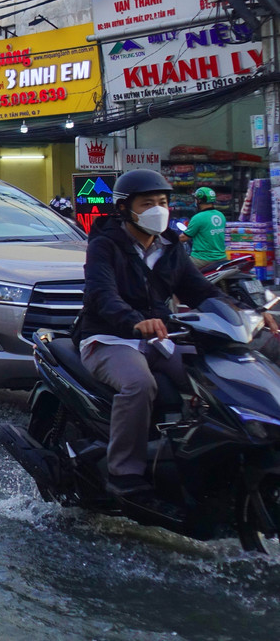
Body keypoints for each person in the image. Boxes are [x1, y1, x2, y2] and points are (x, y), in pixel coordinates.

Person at [76, 169, 280, 497]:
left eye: (163, 201)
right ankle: (123, 473)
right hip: (109, 338)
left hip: (161, 339)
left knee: (213, 377)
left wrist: (250, 314)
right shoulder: (104, 245)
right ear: (125, 208)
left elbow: (201, 291)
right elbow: (102, 294)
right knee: (139, 384)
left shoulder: (170, 247)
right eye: (147, 203)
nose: (158, 209)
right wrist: (133, 320)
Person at [184, 186, 228, 271]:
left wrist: (173, 240)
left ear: (199, 200)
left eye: (196, 199)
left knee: (178, 267)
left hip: (202, 259)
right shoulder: (221, 215)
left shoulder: (198, 217)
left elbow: (184, 237)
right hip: (222, 258)